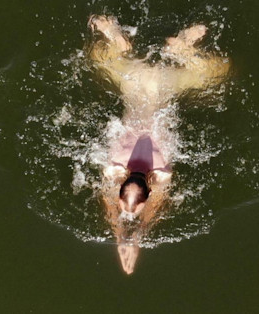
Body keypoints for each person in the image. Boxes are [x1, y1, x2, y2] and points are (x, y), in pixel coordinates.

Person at [87, 15, 230, 274]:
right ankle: (170, 46)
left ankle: (148, 44)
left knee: (218, 75)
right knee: (98, 58)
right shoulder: (114, 167)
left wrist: (133, 237)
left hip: (156, 83)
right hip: (135, 79)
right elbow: (113, 204)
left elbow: (152, 206)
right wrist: (125, 236)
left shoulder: (162, 173)